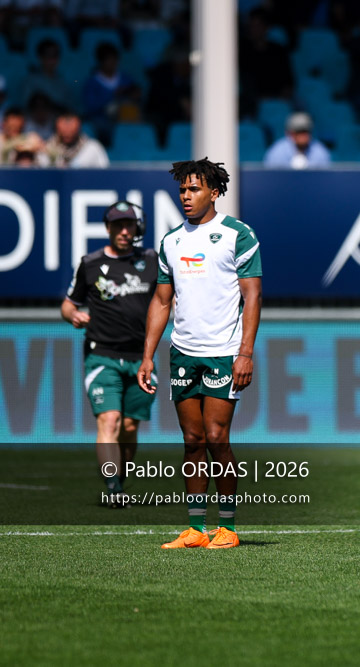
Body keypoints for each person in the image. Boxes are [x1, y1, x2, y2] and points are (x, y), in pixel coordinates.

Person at [138, 158, 262, 550]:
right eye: (182, 190)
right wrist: (147, 355)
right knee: (192, 440)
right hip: (183, 354)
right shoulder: (171, 241)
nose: (186, 196)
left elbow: (252, 295)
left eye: (194, 189)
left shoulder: (237, 234)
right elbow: (161, 301)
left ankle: (227, 527)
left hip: (224, 353)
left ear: (215, 192)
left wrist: (246, 352)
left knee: (216, 437)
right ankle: (195, 528)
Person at [61, 201, 158, 507]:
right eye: (118, 225)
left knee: (129, 427)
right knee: (110, 420)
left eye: (129, 225)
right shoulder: (90, 263)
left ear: (138, 228)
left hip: (141, 358)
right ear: (108, 228)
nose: (124, 231)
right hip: (101, 354)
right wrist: (72, 316)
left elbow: (169, 299)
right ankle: (113, 487)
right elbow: (68, 302)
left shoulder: (152, 260)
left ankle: (118, 480)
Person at [43, 109, 109, 168]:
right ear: (57, 129)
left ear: (78, 129)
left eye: (71, 132)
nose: (67, 133)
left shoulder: (93, 148)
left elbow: (105, 174)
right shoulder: (47, 148)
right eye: (63, 133)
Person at [263, 112, 331, 169]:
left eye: (306, 131)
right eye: (299, 131)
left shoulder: (320, 152)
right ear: (289, 133)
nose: (303, 135)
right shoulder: (277, 153)